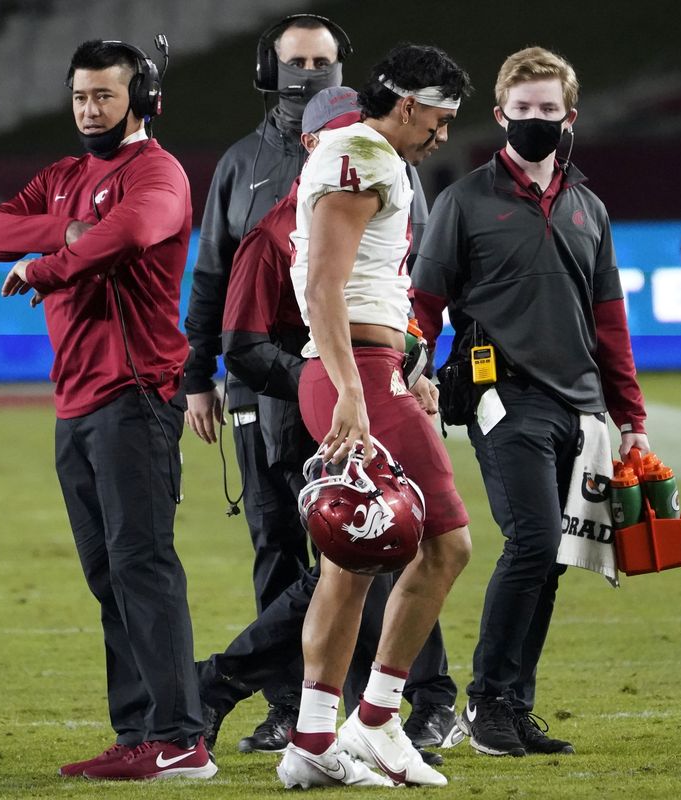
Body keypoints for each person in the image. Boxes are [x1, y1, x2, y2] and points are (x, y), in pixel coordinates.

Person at [183, 13, 456, 755]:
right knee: (324, 546)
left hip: (345, 382)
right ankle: (299, 703)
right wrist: (207, 375)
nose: (309, 76)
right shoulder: (264, 197)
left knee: (376, 543)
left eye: (321, 63)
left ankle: (392, 704)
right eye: (296, 62)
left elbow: (404, 282)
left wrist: (411, 364)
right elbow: (234, 321)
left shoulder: (386, 171)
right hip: (293, 398)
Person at [0, 39, 213, 781]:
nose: (88, 108)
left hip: (136, 396)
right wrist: (61, 229)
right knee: (110, 574)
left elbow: (133, 233)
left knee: (143, 566)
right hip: (75, 402)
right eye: (80, 96)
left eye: (104, 96)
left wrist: (46, 263)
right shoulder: (67, 177)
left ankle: (180, 739)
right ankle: (142, 731)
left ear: (141, 101)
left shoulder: (158, 172)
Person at [411, 47, 649, 758]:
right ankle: (486, 702)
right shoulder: (463, 203)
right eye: (524, 110)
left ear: (569, 117)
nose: (536, 121)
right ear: (500, 115)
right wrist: (408, 374)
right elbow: (421, 306)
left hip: (578, 408)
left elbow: (610, 319)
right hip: (500, 397)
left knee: (549, 558)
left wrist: (628, 414)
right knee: (536, 541)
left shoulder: (589, 208)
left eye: (548, 110)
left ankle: (513, 705)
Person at [277, 44, 472, 789]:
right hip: (353, 370)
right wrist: (356, 390)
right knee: (447, 543)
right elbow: (326, 285)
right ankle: (379, 718)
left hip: (364, 366)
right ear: (412, 103)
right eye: (442, 117)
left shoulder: (356, 153)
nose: (444, 135)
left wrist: (406, 366)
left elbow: (362, 283)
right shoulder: (366, 156)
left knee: (351, 561)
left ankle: (314, 741)